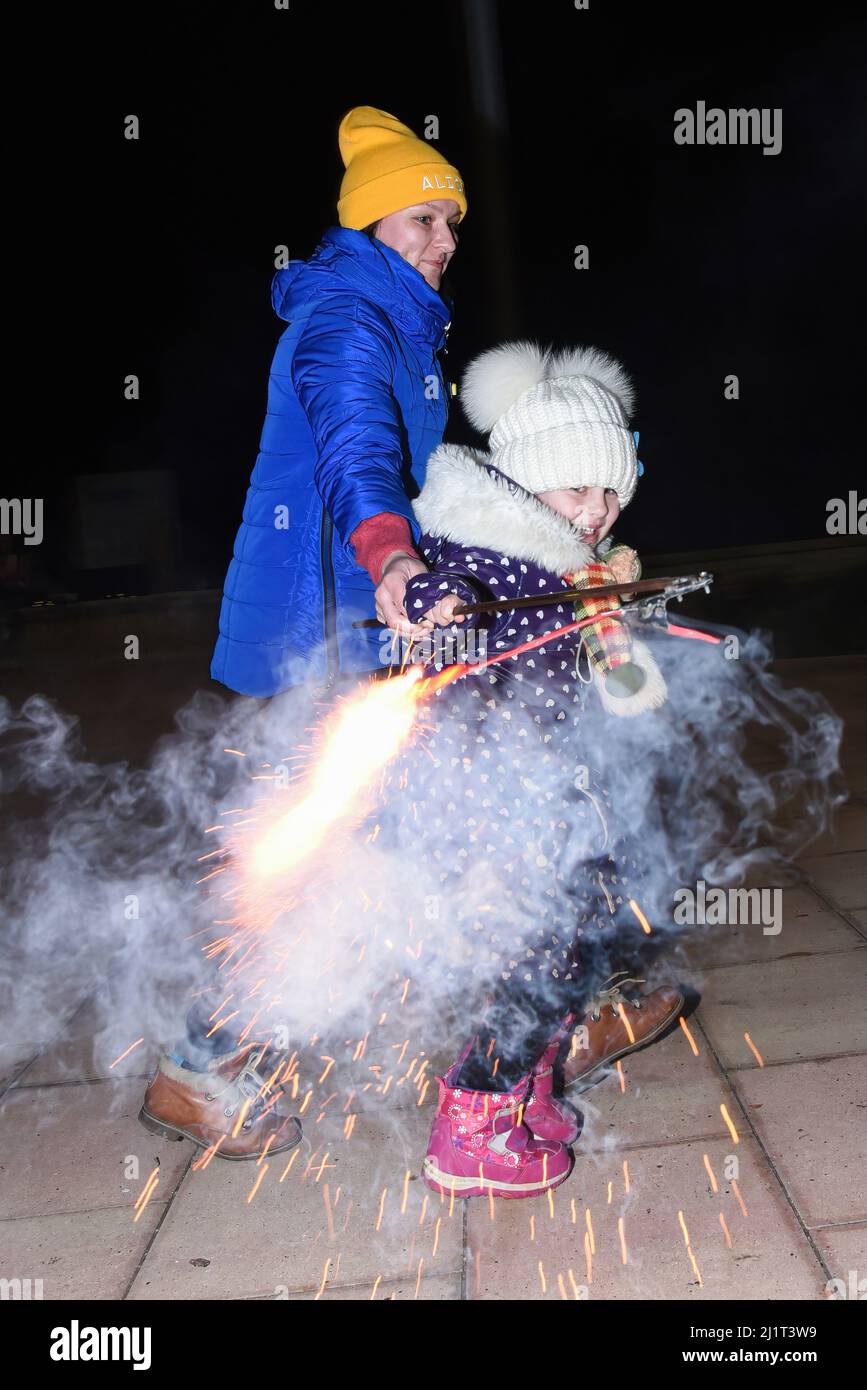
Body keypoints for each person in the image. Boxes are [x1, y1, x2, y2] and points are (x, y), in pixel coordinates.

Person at [139, 106, 467, 1160]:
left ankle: (505, 1027)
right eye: (423, 220)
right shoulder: (343, 323)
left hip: (357, 625)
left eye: (452, 223)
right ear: (372, 225)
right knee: (302, 856)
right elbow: (358, 458)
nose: (445, 241)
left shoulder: (400, 324)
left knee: (386, 834)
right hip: (311, 634)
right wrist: (395, 560)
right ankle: (198, 1069)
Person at [382, 341, 686, 1200]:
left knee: (575, 947)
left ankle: (527, 1089)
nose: (593, 511)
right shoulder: (486, 563)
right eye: (573, 489)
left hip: (557, 802)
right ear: (522, 480)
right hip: (493, 810)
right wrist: (440, 607)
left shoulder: (566, 566)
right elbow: (451, 613)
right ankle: (472, 1124)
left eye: (608, 492)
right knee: (533, 960)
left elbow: (598, 680)